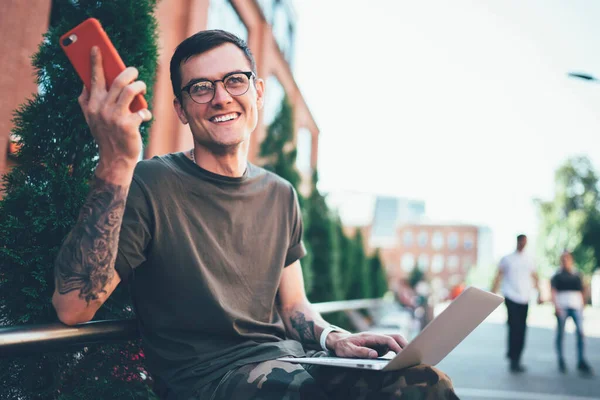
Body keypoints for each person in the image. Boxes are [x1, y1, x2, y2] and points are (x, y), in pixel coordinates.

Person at [51, 30, 459, 399]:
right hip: (208, 381)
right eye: (200, 88)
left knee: (424, 382)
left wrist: (335, 338)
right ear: (180, 109)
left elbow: (294, 305)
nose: (222, 97)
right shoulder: (148, 181)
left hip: (292, 361)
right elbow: (73, 307)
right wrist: (116, 161)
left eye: (234, 80)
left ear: (258, 92)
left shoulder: (281, 194)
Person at [491, 234, 540, 373]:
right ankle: (512, 357)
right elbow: (498, 275)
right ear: (517, 242)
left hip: (525, 298)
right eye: (521, 242)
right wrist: (492, 294)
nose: (523, 244)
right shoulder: (507, 259)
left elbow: (535, 276)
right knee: (514, 327)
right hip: (511, 296)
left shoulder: (530, 259)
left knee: (522, 329)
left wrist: (540, 293)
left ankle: (518, 357)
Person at [551, 251, 593, 375]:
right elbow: (553, 291)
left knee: (580, 333)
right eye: (563, 259)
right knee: (561, 334)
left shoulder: (577, 274)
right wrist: (556, 306)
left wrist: (583, 304)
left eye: (567, 259)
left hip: (576, 306)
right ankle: (561, 360)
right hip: (562, 307)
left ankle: (581, 360)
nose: (565, 261)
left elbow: (583, 289)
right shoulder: (557, 275)